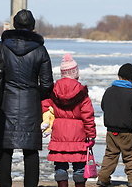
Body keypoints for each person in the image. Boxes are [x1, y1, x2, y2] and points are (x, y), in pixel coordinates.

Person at [0, 9, 54, 187]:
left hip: (5, 104)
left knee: (5, 150)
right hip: (30, 104)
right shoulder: (41, 50)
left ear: (15, 25)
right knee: (31, 151)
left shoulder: (1, 47)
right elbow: (47, 84)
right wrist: (36, 95)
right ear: (33, 26)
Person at [41, 53, 96, 187]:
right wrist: (91, 135)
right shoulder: (81, 92)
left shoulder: (54, 90)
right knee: (79, 166)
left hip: (59, 135)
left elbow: (45, 106)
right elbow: (88, 116)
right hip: (78, 135)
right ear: (75, 73)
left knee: (60, 165)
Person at [97, 63, 132, 187]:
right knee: (129, 155)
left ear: (119, 76)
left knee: (110, 154)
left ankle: (103, 178)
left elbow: (103, 106)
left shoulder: (109, 91)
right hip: (126, 131)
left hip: (111, 130)